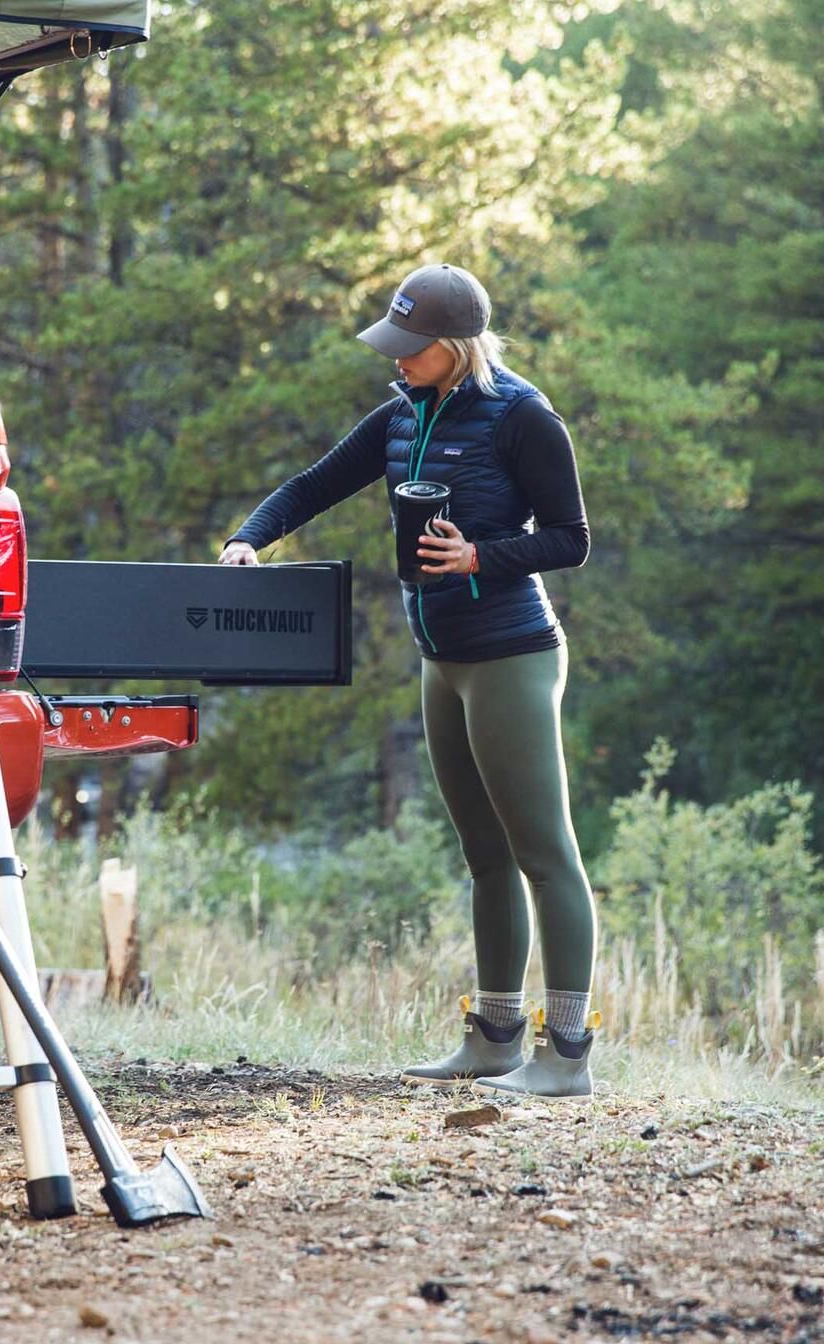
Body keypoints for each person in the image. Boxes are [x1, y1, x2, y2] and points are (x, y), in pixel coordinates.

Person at [219, 264, 599, 1098]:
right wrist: (252, 539)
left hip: (511, 654)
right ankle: (494, 1037)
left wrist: (477, 557)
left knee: (544, 852)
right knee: (484, 854)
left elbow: (571, 539)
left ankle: (565, 1052)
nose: (395, 361)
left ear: (453, 349)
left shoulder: (524, 418)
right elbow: (313, 484)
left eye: (409, 349)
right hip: (442, 659)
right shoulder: (401, 416)